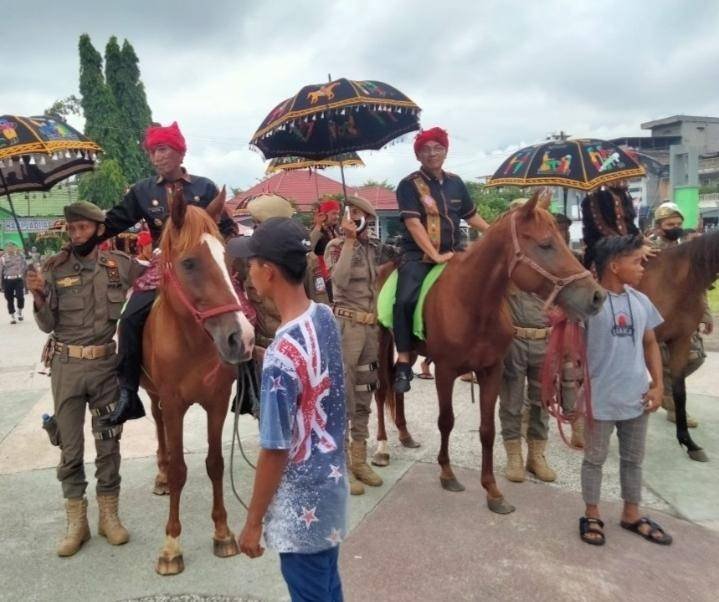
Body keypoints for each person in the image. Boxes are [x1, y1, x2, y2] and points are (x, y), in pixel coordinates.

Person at [235, 217, 348, 602]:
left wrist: (252, 523)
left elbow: (275, 448)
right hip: (330, 490)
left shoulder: (283, 358)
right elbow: (311, 369)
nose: (248, 273)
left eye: (250, 264)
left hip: (301, 508)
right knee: (328, 587)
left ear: (268, 271)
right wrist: (262, 357)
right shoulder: (324, 317)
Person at [99, 121, 238, 426]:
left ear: (179, 152)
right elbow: (113, 222)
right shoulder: (142, 191)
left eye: (162, 149)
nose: (157, 157)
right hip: (163, 268)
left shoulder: (204, 187)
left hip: (201, 267)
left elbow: (227, 228)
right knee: (130, 317)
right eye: (152, 152)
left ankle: (249, 389)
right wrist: (85, 237)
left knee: (243, 312)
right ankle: (128, 390)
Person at [27, 201, 144, 557]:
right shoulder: (54, 268)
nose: (76, 234)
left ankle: (109, 516)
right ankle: (77, 523)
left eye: (82, 228)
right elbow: (47, 324)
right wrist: (37, 295)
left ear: (97, 229)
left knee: (109, 443)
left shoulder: (120, 267)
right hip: (66, 368)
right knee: (71, 448)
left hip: (106, 368)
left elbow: (155, 283)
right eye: (72, 229)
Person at [579, 235, 671, 546]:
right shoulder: (589, 304)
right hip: (599, 400)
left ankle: (631, 514)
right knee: (594, 460)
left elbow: (650, 344)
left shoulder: (641, 301)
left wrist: (657, 386)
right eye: (636, 261)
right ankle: (592, 513)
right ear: (615, 266)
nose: (642, 267)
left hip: (637, 398)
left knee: (633, 460)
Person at [393, 127, 490, 392]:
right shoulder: (409, 184)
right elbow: (413, 223)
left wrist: (493, 232)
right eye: (425, 149)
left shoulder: (456, 182)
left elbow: (471, 216)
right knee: (404, 299)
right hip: (418, 255)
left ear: (446, 151)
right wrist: (433, 255)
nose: (432, 153)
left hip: (454, 252)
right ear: (418, 155)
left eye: (437, 148)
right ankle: (403, 359)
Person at [325, 196, 397, 496]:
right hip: (346, 327)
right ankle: (340, 463)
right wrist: (350, 242)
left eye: (361, 215)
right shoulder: (335, 247)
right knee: (343, 392)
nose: (356, 218)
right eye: (351, 214)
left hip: (370, 329)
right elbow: (339, 281)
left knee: (366, 391)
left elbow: (399, 256)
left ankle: (359, 458)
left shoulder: (374, 248)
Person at [646, 202, 712, 428]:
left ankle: (664, 392)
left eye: (678, 223)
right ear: (659, 226)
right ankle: (671, 404)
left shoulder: (688, 249)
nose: (675, 227)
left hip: (683, 314)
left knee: (695, 357)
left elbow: (698, 284)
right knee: (665, 361)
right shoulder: (652, 249)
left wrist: (705, 315)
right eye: (669, 223)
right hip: (659, 314)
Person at [581, 180, 649, 269]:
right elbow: (603, 229)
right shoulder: (595, 198)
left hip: (626, 243)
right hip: (603, 250)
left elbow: (629, 224)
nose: (624, 180)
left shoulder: (624, 194)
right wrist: (633, 246)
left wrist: (641, 239)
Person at [310, 198, 341, 302]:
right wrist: (318, 225)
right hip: (322, 276)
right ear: (324, 215)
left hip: (336, 274)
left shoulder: (336, 230)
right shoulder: (318, 230)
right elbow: (309, 247)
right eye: (333, 214)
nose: (336, 217)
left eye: (338, 214)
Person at [1, 242, 27, 324]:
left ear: (15, 248)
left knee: (20, 297)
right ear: (6, 249)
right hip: (8, 280)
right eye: (8, 247)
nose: (10, 249)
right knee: (9, 299)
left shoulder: (20, 256)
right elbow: (0, 271)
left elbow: (25, 266)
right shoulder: (2, 259)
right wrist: (1, 285)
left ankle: (19, 311)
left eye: (12, 247)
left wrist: (24, 277)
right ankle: (12, 316)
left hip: (18, 279)